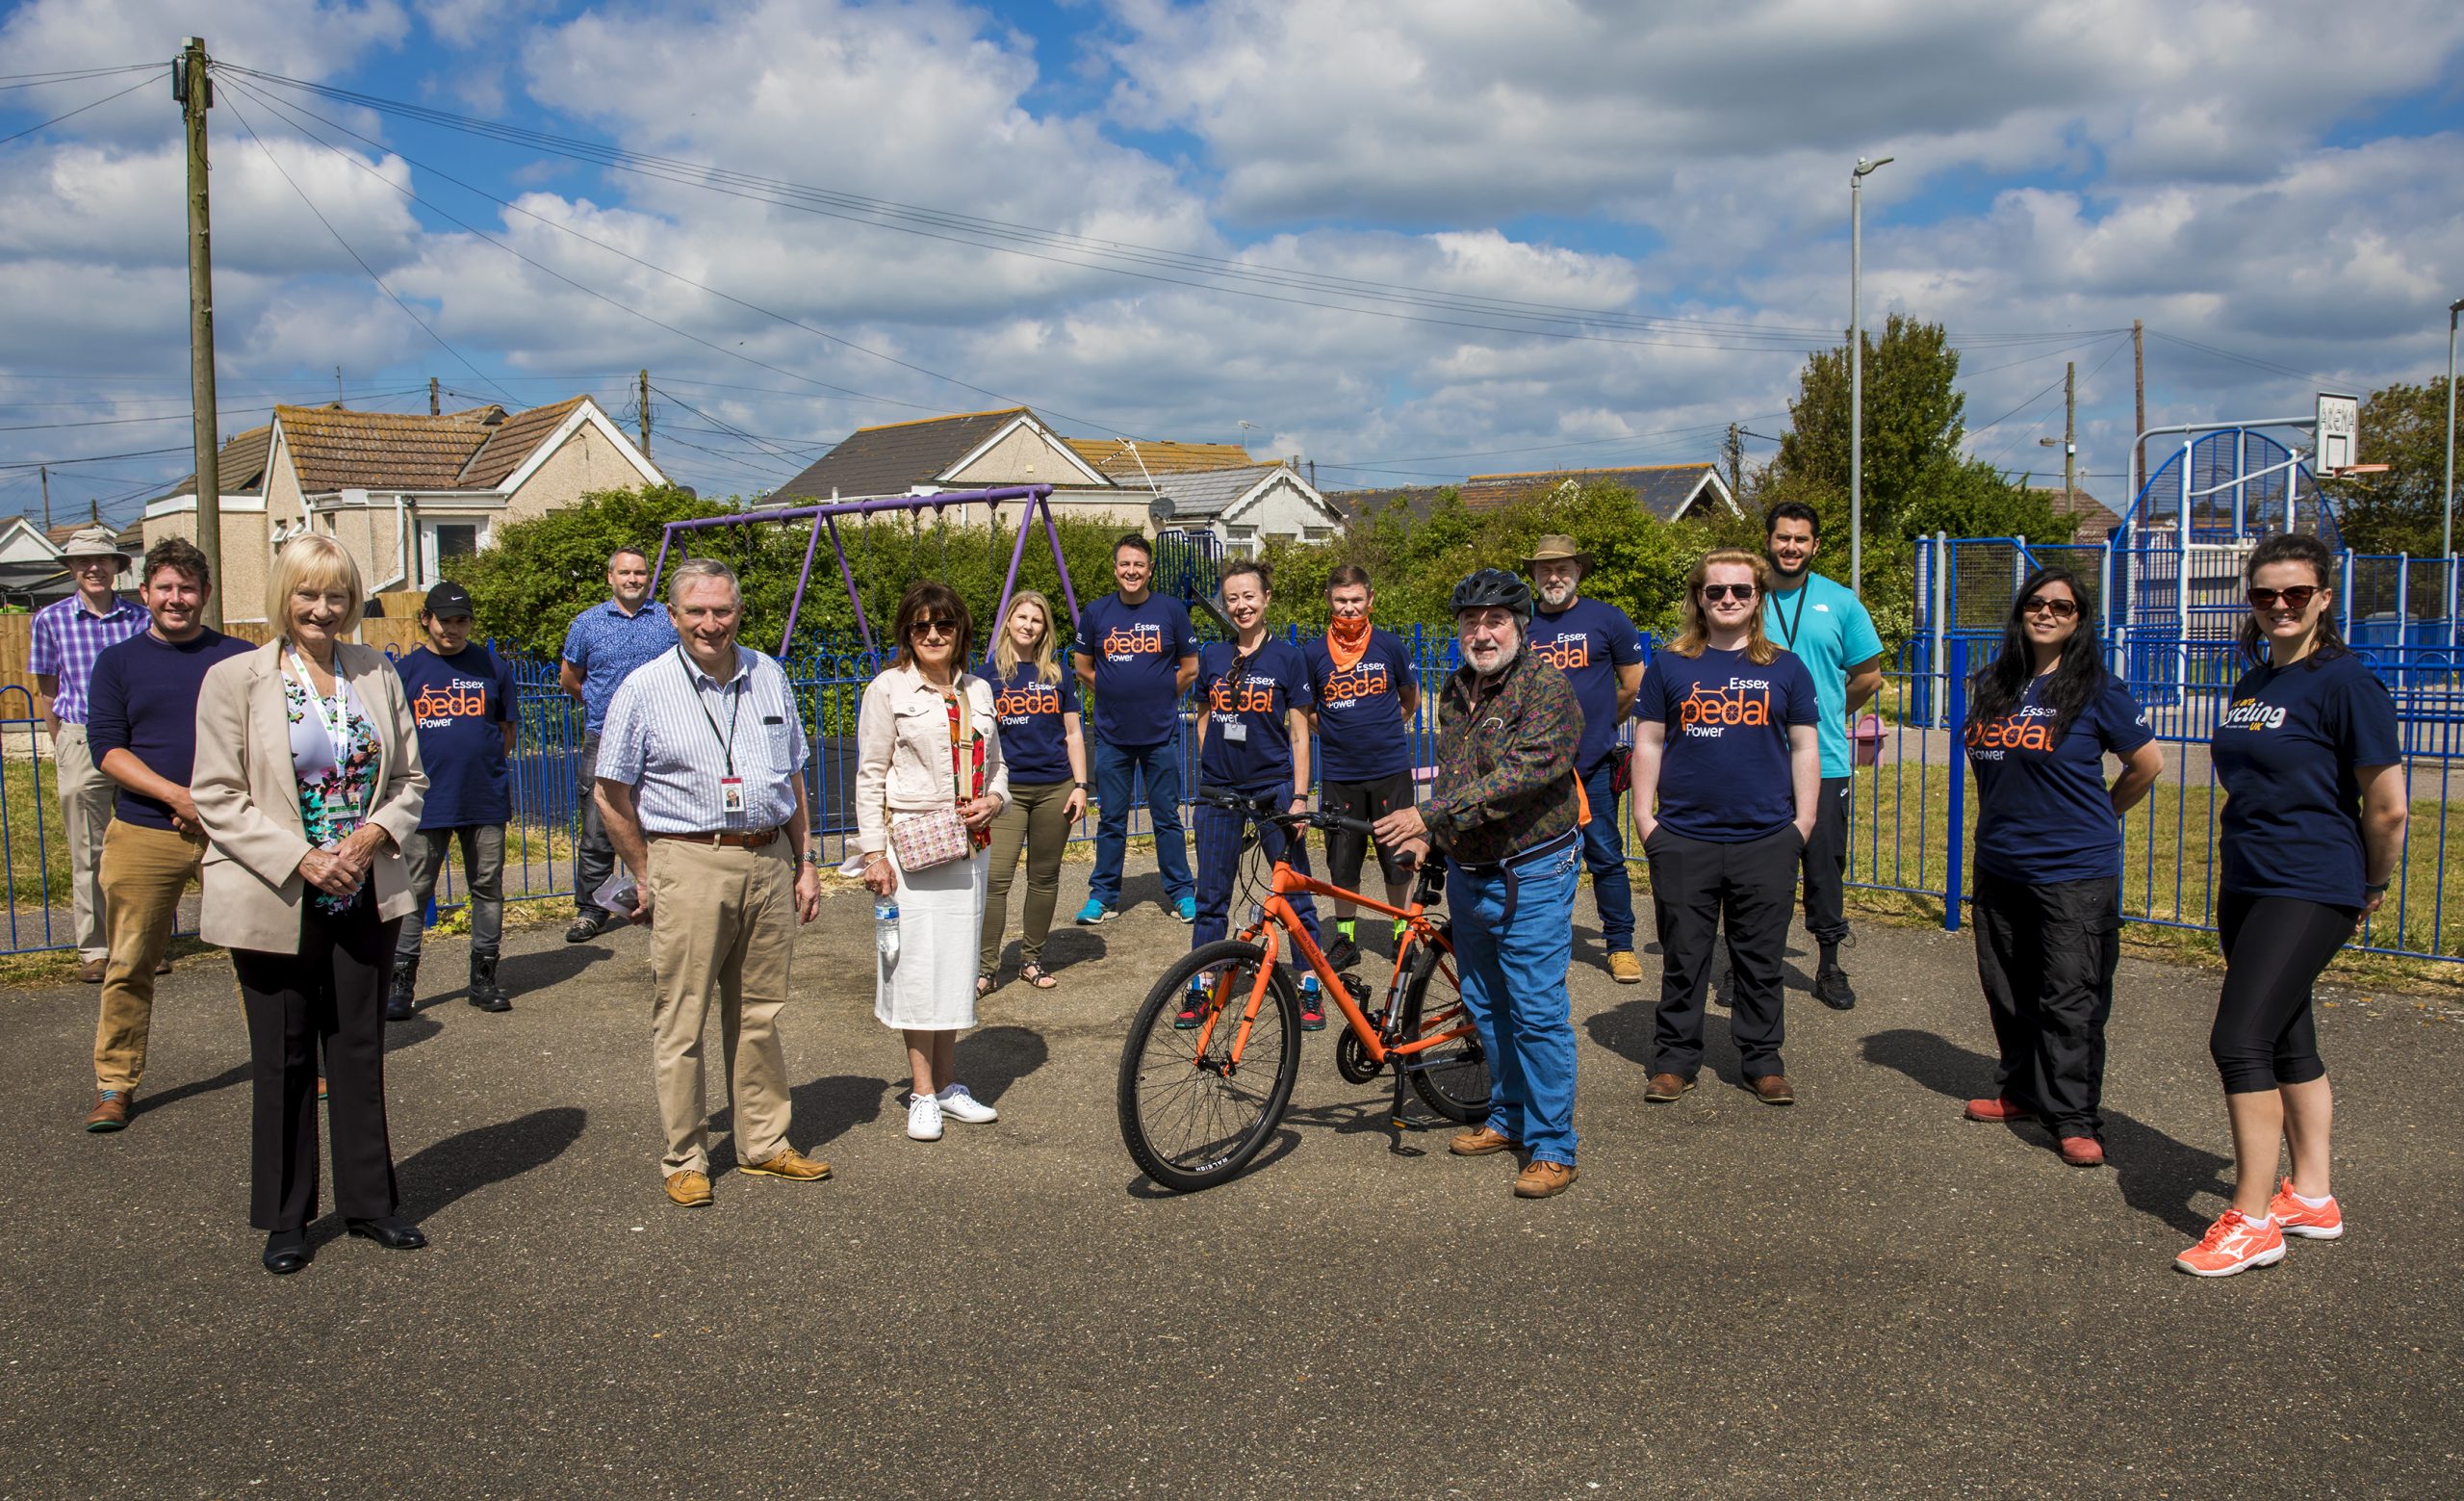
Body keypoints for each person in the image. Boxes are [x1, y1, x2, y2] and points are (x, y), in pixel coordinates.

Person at [191, 534, 430, 1276]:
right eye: (308, 593)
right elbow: (217, 796)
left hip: (362, 886)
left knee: (358, 1049)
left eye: (336, 595)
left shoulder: (376, 672)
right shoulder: (236, 678)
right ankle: (287, 1217)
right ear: (282, 597)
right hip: (277, 892)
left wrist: (365, 840)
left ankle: (371, 1204)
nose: (322, 609)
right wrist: (302, 857)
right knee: (285, 1056)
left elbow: (410, 780)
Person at [2175, 533, 2405, 1278]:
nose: (2279, 605)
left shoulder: (2346, 683)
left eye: (2296, 593)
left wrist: (2371, 884)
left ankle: (2253, 1221)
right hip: (2248, 879)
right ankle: (2310, 1195)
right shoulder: (2251, 684)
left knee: (2238, 1038)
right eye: (2265, 594)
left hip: (2310, 883)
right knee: (2285, 1038)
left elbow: (2389, 806)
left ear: (2324, 599)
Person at [595, 558, 833, 1206]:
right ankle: (686, 1154)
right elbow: (610, 791)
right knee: (683, 1016)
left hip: (768, 857)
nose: (711, 623)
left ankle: (763, 1142)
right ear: (672, 616)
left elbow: (794, 778)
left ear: (738, 612)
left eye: (722, 610)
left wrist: (805, 860)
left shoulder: (769, 674)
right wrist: (644, 871)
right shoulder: (644, 688)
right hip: (688, 860)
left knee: (760, 1012)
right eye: (696, 611)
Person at [1374, 569, 1584, 1200]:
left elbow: (1523, 774)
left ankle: (1553, 1144)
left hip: (1533, 868)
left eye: (1495, 620)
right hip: (1471, 867)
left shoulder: (1548, 689)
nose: (1482, 631)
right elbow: (1458, 777)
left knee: (1536, 1007)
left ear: (1520, 626)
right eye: (1471, 621)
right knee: (1486, 1002)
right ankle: (1508, 1114)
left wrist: (1427, 816)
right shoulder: (1456, 689)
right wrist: (1433, 836)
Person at [1960, 568, 2162, 1168]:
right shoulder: (1993, 683)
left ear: (2079, 621)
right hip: (2000, 864)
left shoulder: (2097, 687)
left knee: (2070, 997)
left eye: (2063, 607)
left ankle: (2073, 1118)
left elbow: (2146, 765)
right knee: (2008, 986)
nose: (2047, 613)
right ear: (2021, 610)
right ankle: (2021, 1092)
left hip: (2074, 873)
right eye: (2037, 603)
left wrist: (2101, 812)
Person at [1630, 550, 1820, 1105]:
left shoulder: (1785, 668)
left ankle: (1762, 1061)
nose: (1728, 600)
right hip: (1684, 837)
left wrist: (1801, 824)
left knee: (1759, 961)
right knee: (1684, 957)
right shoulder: (1670, 665)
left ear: (1758, 597)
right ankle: (1674, 1060)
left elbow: (1806, 747)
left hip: (1765, 839)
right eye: (1716, 592)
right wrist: (1646, 821)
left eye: (1740, 590)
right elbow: (1648, 741)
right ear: (1699, 598)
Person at [79, 538, 254, 1133]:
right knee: (129, 961)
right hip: (145, 829)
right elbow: (107, 749)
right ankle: (114, 1085)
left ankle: (294, 1064)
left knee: (261, 953)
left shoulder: (241, 658)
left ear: (205, 595)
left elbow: (265, 742)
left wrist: (215, 805)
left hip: (233, 830)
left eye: (187, 588)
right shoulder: (118, 663)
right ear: (146, 594)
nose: (175, 599)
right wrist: (178, 797)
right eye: (164, 588)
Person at [856, 582, 1009, 1142]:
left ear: (960, 631)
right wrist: (874, 853)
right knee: (916, 969)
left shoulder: (980, 691)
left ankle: (946, 1086)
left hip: (967, 846)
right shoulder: (888, 690)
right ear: (907, 634)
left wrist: (995, 799)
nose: (933, 636)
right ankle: (920, 1092)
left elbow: (997, 767)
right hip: (912, 846)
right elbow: (870, 774)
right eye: (921, 627)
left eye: (943, 626)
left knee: (954, 969)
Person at [1186, 560, 1323, 1028]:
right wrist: (1212, 759)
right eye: (1232, 599)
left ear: (1266, 598)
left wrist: (1300, 798)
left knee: (1296, 891)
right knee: (1210, 895)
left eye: (1249, 596)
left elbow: (1301, 735)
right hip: (1220, 793)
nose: (1241, 606)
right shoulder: (1211, 656)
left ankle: (1309, 982)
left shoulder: (1289, 657)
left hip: (1273, 790)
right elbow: (1203, 713)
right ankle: (1201, 983)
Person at [1760, 503, 1885, 1010]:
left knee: (1823, 865)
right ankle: (1752, 964)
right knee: (1758, 868)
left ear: (1814, 546)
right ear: (1768, 540)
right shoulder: (1745, 595)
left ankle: (1830, 963)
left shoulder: (1841, 602)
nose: (1791, 546)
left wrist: (1821, 713)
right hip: (1759, 760)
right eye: (1783, 537)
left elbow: (1868, 677)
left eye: (1801, 539)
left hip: (1826, 760)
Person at [389, 581, 522, 1021]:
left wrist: (483, 771)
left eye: (461, 620)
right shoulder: (405, 672)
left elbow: (506, 731)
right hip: (425, 801)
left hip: (483, 798)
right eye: (445, 620)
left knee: (487, 887)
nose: (453, 628)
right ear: (426, 619)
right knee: (414, 892)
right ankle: (400, 985)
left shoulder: (492, 666)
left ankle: (484, 979)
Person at [1521, 534, 1647, 984]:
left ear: (1578, 572)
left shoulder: (1607, 619)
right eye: (1545, 570)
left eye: (1563, 569)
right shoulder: (1520, 623)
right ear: (1533, 577)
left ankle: (1621, 945)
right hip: (1532, 768)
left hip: (1590, 766)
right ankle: (1538, 942)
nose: (1554, 577)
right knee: (1533, 858)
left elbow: (1633, 685)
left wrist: (1594, 729)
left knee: (1606, 856)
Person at [31, 525, 150, 982]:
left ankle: (141, 944)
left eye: (102, 560)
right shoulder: (49, 620)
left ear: (118, 567)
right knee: (89, 850)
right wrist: (61, 741)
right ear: (72, 569)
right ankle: (96, 949)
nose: (93, 568)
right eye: (83, 562)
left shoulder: (141, 618)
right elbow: (48, 690)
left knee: (141, 845)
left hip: (137, 741)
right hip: (81, 738)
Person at [1072, 534, 1198, 925]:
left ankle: (1181, 892)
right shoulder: (1096, 613)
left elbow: (1190, 667)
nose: (1132, 571)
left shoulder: (1172, 610)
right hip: (1112, 734)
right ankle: (1103, 895)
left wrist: (1160, 695)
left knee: (1167, 817)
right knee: (1111, 818)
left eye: (1139, 565)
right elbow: (1082, 667)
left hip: (1160, 733)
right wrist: (1113, 694)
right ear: (1115, 569)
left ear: (1150, 570)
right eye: (1125, 564)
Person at [1304, 564, 1420, 971]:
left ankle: (1402, 935)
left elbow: (1410, 699)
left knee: (1399, 857)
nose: (1349, 608)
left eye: (1356, 600)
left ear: (1370, 600)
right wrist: (1338, 733)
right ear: (1329, 601)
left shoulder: (1390, 646)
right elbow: (1309, 713)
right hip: (1339, 774)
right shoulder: (1314, 654)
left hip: (1390, 769)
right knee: (1342, 861)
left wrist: (1381, 731)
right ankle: (1346, 938)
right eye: (1341, 601)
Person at [559, 546, 678, 944]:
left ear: (648, 578)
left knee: (666, 820)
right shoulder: (587, 624)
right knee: (598, 825)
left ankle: (663, 898)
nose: (633, 579)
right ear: (610, 577)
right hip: (605, 736)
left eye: (640, 573)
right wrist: (603, 709)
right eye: (625, 573)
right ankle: (591, 910)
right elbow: (571, 679)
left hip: (662, 736)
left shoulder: (667, 619)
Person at [977, 590, 1088, 995]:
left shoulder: (1058, 675)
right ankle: (987, 968)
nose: (1028, 625)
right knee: (996, 880)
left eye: (1036, 620)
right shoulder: (987, 677)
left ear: (1045, 629)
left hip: (1054, 787)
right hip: (1005, 792)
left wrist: (1080, 786)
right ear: (1009, 622)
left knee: (1044, 877)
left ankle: (1031, 959)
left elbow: (1074, 733)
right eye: (1021, 617)